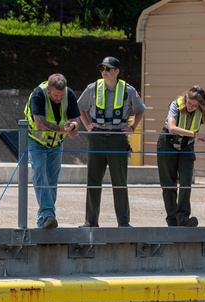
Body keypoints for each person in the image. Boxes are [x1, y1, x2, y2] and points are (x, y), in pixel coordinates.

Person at [77, 56, 146, 228]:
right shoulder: (92, 88)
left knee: (119, 181)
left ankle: (123, 222)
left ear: (117, 71)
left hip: (117, 138)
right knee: (93, 181)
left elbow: (140, 110)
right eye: (102, 69)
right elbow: (80, 107)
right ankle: (91, 221)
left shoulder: (128, 90)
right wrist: (87, 125)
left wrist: (132, 127)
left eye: (108, 69)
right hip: (97, 138)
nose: (104, 72)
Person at [157, 86, 205, 227]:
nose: (191, 107)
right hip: (168, 144)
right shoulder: (176, 105)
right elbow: (172, 127)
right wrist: (195, 134)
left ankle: (183, 217)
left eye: (195, 105)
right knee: (168, 183)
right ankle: (172, 219)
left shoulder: (203, 111)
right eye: (189, 103)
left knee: (186, 179)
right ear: (186, 99)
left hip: (187, 147)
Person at [24, 74, 81, 229]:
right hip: (37, 142)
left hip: (56, 144)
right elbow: (40, 124)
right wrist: (63, 129)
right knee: (40, 172)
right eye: (56, 95)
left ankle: (42, 222)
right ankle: (49, 214)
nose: (59, 98)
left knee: (51, 180)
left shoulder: (69, 95)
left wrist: (73, 126)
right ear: (48, 89)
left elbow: (76, 123)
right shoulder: (38, 94)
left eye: (61, 95)